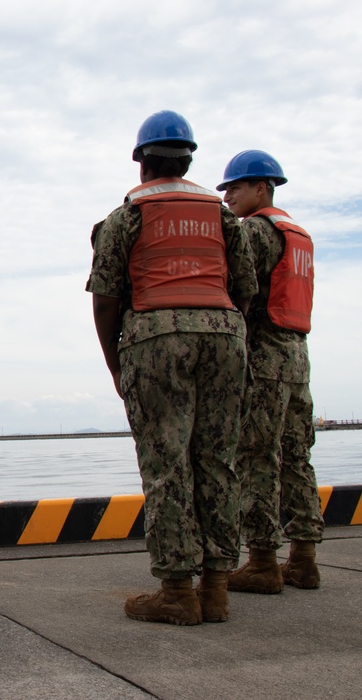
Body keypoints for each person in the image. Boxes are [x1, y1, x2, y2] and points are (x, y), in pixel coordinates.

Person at [86, 110, 258, 625]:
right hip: (226, 334)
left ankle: (178, 592)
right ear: (188, 160)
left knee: (167, 466)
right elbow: (246, 287)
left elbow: (105, 300)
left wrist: (117, 365)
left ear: (142, 163)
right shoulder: (223, 216)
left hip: (155, 339)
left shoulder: (125, 218)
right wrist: (223, 330)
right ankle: (218, 588)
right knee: (218, 461)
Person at [218, 150, 324, 593]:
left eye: (235, 188)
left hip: (262, 356)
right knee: (296, 457)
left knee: (256, 456)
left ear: (262, 187)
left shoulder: (256, 232)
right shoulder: (298, 233)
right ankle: (303, 557)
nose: (227, 198)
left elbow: (235, 283)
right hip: (297, 356)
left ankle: (262, 559)